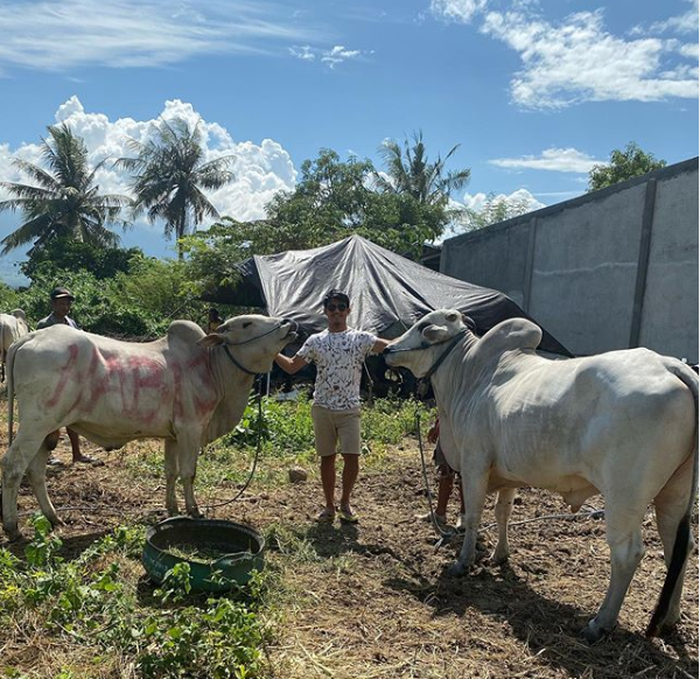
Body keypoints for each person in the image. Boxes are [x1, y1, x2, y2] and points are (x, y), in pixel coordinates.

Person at [274, 289, 389, 524]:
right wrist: (272, 351)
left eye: (340, 307)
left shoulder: (360, 338)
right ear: (325, 312)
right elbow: (292, 367)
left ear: (348, 310)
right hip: (322, 407)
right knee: (327, 458)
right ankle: (329, 506)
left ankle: (345, 502)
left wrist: (417, 338)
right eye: (332, 307)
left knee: (352, 457)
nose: (336, 311)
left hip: (349, 408)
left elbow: (389, 348)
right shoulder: (315, 341)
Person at [37, 287, 98, 465]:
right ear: (53, 304)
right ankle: (46, 456)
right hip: (51, 379)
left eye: (68, 303)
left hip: (71, 379)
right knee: (49, 419)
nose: (65, 306)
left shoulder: (72, 324)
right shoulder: (45, 325)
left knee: (72, 417)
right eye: (61, 303)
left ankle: (77, 454)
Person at [422, 416, 465, 529]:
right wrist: (438, 423)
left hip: (465, 427)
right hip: (447, 428)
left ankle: (465, 516)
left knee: (464, 472)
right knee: (445, 470)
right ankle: (440, 513)